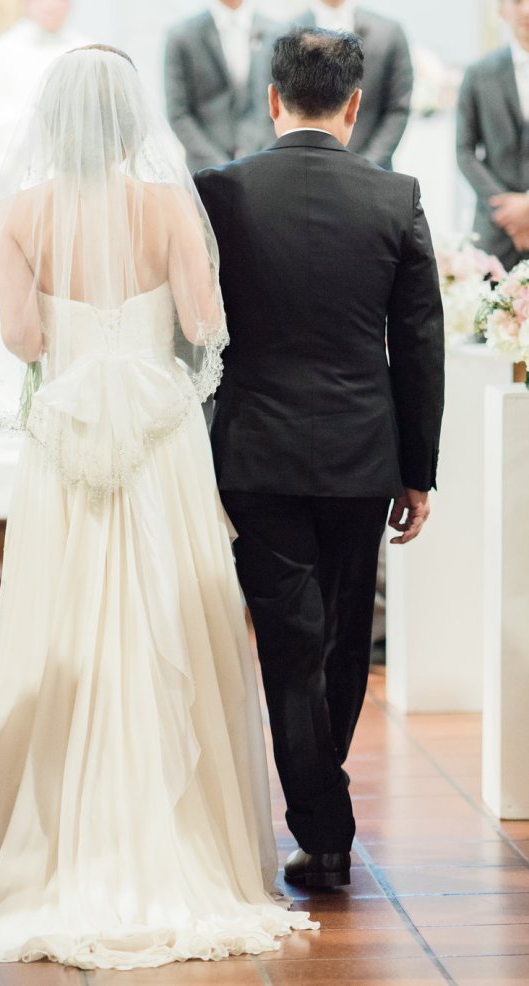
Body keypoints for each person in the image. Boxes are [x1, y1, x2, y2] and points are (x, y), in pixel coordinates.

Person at [0, 45, 316, 969]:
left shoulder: (18, 214)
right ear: (133, 120)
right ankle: (188, 835)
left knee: (63, 621)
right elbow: (204, 324)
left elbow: (23, 339)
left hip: (66, 433)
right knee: (166, 617)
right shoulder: (169, 206)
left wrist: (76, 327)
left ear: (51, 123)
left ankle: (55, 834)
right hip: (158, 434)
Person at [195, 28, 444, 889]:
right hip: (361, 454)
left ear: (272, 99)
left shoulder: (219, 192)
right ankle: (324, 819)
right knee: (339, 640)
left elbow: (198, 330)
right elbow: (419, 344)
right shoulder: (396, 195)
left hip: (254, 451)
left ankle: (322, 822)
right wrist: (419, 470)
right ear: (355, 105)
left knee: (290, 642)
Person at [0, 0, 85, 217]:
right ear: (26, 3)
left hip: (73, 181)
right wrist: (38, 121)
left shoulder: (85, 51)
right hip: (14, 179)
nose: (51, 6)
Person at [287, 0, 413, 170]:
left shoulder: (389, 33)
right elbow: (269, 109)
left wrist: (365, 167)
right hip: (301, 172)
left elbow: (397, 108)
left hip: (371, 171)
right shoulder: (285, 32)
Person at [164, 0, 283, 173]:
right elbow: (178, 113)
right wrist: (219, 165)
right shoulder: (181, 36)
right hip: (205, 170)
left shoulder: (276, 33)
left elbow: (282, 104)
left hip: (262, 165)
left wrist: (257, 155)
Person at [457, 0, 529, 270]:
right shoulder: (478, 73)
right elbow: (464, 151)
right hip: (495, 228)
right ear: (501, 9)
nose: (526, 10)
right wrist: (507, 210)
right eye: (517, 1)